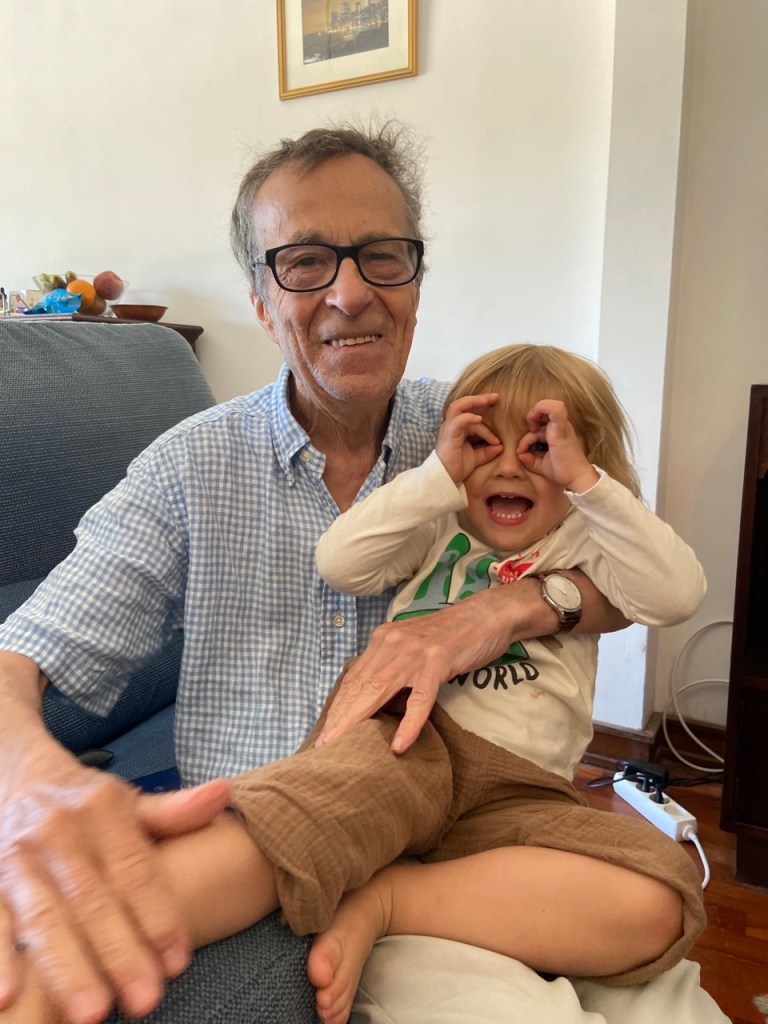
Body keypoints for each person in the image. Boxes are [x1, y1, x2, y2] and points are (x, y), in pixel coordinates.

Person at [0, 122, 628, 1024]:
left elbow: (633, 567)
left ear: (415, 284)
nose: (350, 293)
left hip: (472, 856)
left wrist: (504, 610)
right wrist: (23, 777)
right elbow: (22, 654)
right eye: (303, 262)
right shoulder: (188, 469)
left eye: (382, 256)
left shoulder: (485, 432)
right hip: (258, 855)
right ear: (262, 302)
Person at [1, 346, 708, 1024]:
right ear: (262, 300)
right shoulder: (443, 517)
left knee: (659, 900)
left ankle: (394, 898)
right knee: (293, 818)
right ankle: (51, 972)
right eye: (488, 444)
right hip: (410, 737)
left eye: (539, 448)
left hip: (524, 787)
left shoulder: (584, 533)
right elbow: (342, 561)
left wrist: (584, 491)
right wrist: (440, 473)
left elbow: (674, 593)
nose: (509, 465)